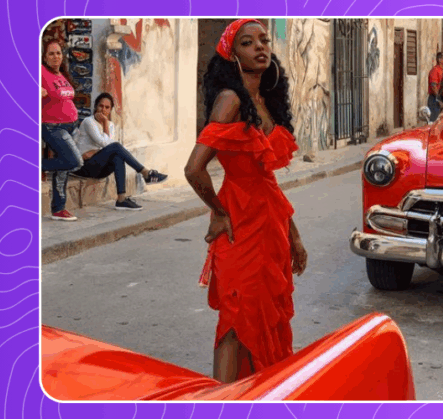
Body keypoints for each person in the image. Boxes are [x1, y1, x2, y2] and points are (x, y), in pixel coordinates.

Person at [184, 19, 308, 384]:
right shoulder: (230, 99)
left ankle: (256, 395)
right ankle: (221, 402)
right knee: (236, 322)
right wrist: (219, 214)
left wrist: (294, 236)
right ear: (231, 54)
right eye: (247, 42)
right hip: (239, 223)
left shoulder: (264, 102)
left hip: (270, 225)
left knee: (267, 316)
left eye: (264, 40)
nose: (260, 47)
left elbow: (267, 182)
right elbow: (194, 169)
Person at [73, 92, 168, 210]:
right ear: (95, 107)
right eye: (100, 106)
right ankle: (145, 173)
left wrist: (105, 125)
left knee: (117, 156)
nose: (103, 110)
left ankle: (121, 199)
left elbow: (107, 145)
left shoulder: (110, 125)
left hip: (98, 167)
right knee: (116, 148)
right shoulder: (89, 122)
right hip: (83, 167)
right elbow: (106, 143)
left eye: (107, 107)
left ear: (110, 110)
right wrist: (105, 124)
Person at [41, 40, 83, 221]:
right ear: (44, 57)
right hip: (53, 126)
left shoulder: (60, 75)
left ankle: (58, 209)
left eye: (58, 53)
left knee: (63, 169)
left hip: (69, 127)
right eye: (51, 53)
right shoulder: (40, 72)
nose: (55, 56)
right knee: (75, 161)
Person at [427, 52, 443, 122]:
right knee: (434, 122)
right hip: (435, 100)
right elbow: (433, 86)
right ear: (440, 60)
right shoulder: (435, 70)